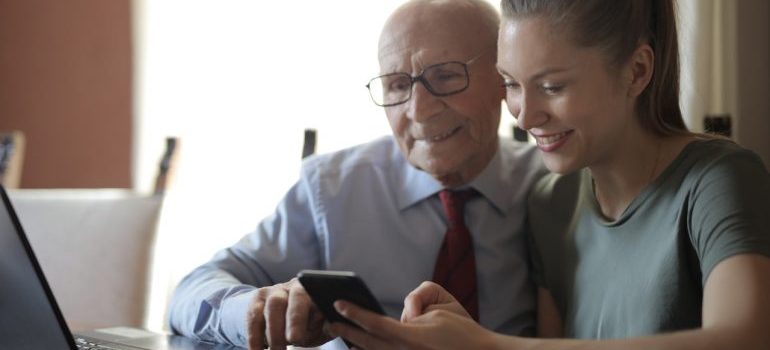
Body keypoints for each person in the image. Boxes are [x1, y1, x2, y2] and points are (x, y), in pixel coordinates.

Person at [328, 0, 770, 349]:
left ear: (637, 71)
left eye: (552, 86)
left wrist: (490, 346)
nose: (523, 117)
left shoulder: (718, 179)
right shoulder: (550, 202)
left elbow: (744, 341)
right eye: (512, 84)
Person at [168, 1, 546, 349]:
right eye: (398, 85)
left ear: (504, 80)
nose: (419, 110)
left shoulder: (552, 189)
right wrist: (258, 307)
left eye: (446, 77)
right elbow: (190, 292)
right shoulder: (332, 190)